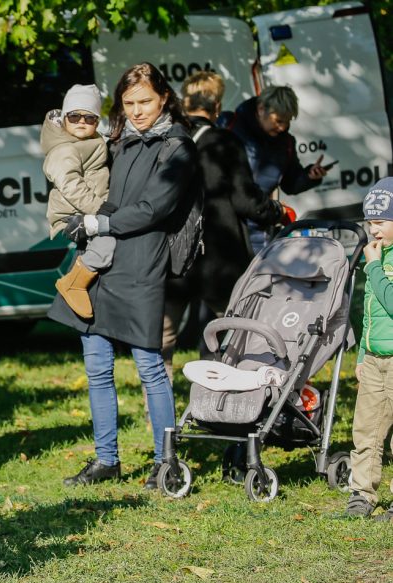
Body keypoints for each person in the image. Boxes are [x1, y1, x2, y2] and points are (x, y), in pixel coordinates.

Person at [49, 62, 198, 490]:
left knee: (150, 366)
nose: (136, 111)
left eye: (145, 102)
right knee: (96, 366)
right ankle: (106, 459)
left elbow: (155, 209)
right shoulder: (121, 141)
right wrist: (83, 219)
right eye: (129, 103)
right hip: (103, 263)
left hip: (142, 263)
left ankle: (164, 462)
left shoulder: (177, 147)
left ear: (164, 98)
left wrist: (97, 224)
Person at [162, 72, 295, 374]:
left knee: (163, 339)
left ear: (185, 101)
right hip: (219, 257)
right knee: (234, 330)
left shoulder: (167, 141)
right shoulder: (225, 142)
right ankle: (218, 396)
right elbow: (245, 201)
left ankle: (156, 413)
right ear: (218, 106)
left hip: (173, 255)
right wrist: (277, 211)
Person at [220, 85, 327, 253]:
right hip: (224, 227)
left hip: (259, 231)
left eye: (287, 121)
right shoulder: (228, 125)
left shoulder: (286, 144)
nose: (283, 127)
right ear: (261, 109)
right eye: (279, 121)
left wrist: (309, 176)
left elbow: (290, 184)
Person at [345, 177, 393, 521]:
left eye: (380, 222)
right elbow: (369, 312)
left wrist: (374, 267)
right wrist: (362, 355)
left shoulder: (376, 262)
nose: (372, 230)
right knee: (366, 430)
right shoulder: (377, 256)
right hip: (375, 358)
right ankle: (361, 495)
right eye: (369, 222)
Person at [41, 84, 111, 319]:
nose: (82, 121)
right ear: (64, 118)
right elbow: (70, 185)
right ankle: (73, 282)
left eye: (89, 117)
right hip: (75, 215)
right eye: (74, 116)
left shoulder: (90, 142)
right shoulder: (64, 149)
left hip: (88, 210)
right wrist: (100, 209)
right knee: (108, 241)